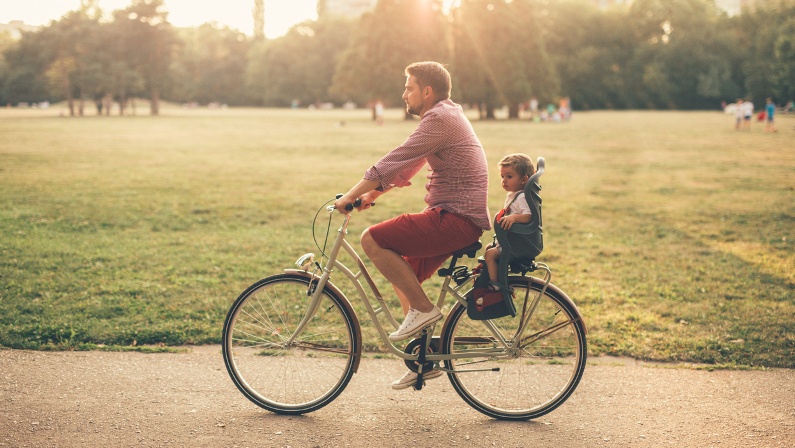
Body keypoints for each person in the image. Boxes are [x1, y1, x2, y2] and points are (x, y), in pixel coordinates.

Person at [334, 61, 491, 390]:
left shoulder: (439, 118)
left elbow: (394, 159)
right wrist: (370, 196)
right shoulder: (446, 116)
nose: (403, 93)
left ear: (427, 91)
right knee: (403, 274)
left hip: (454, 219)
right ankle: (420, 358)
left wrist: (348, 196)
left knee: (372, 241)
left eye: (409, 87)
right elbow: (409, 165)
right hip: (458, 218)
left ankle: (423, 309)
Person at [482, 154, 534, 297]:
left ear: (524, 180)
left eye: (509, 177)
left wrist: (513, 218)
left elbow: (529, 216)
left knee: (490, 255)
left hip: (516, 244)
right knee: (488, 249)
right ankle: (493, 275)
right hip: (510, 240)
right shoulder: (513, 195)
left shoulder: (522, 197)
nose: (504, 181)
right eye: (502, 177)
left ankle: (496, 285)